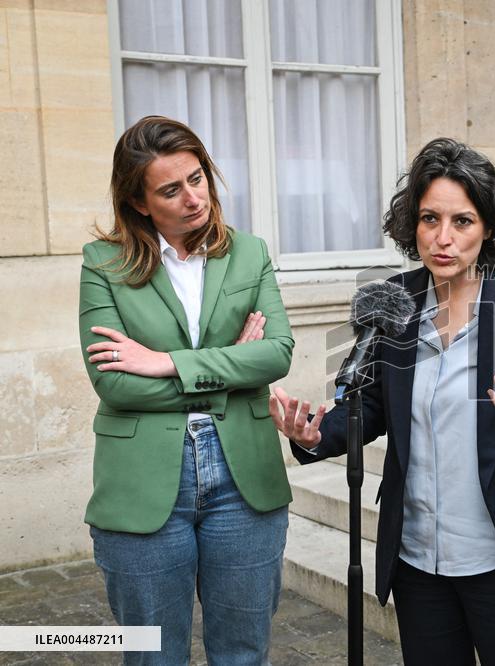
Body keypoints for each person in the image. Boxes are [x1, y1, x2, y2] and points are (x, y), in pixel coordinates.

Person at [270, 137, 495, 665]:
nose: (443, 238)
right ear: (412, 224)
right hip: (419, 560)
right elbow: (371, 405)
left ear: (487, 226)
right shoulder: (393, 300)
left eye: (462, 221)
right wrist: (314, 435)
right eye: (429, 219)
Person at [79, 116, 295, 664]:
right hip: (144, 483)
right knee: (152, 654)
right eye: (171, 190)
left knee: (243, 653)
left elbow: (276, 354)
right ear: (140, 202)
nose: (194, 198)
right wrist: (231, 372)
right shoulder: (103, 265)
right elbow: (114, 382)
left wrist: (164, 363)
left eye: (197, 178)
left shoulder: (249, 253)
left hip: (244, 480)